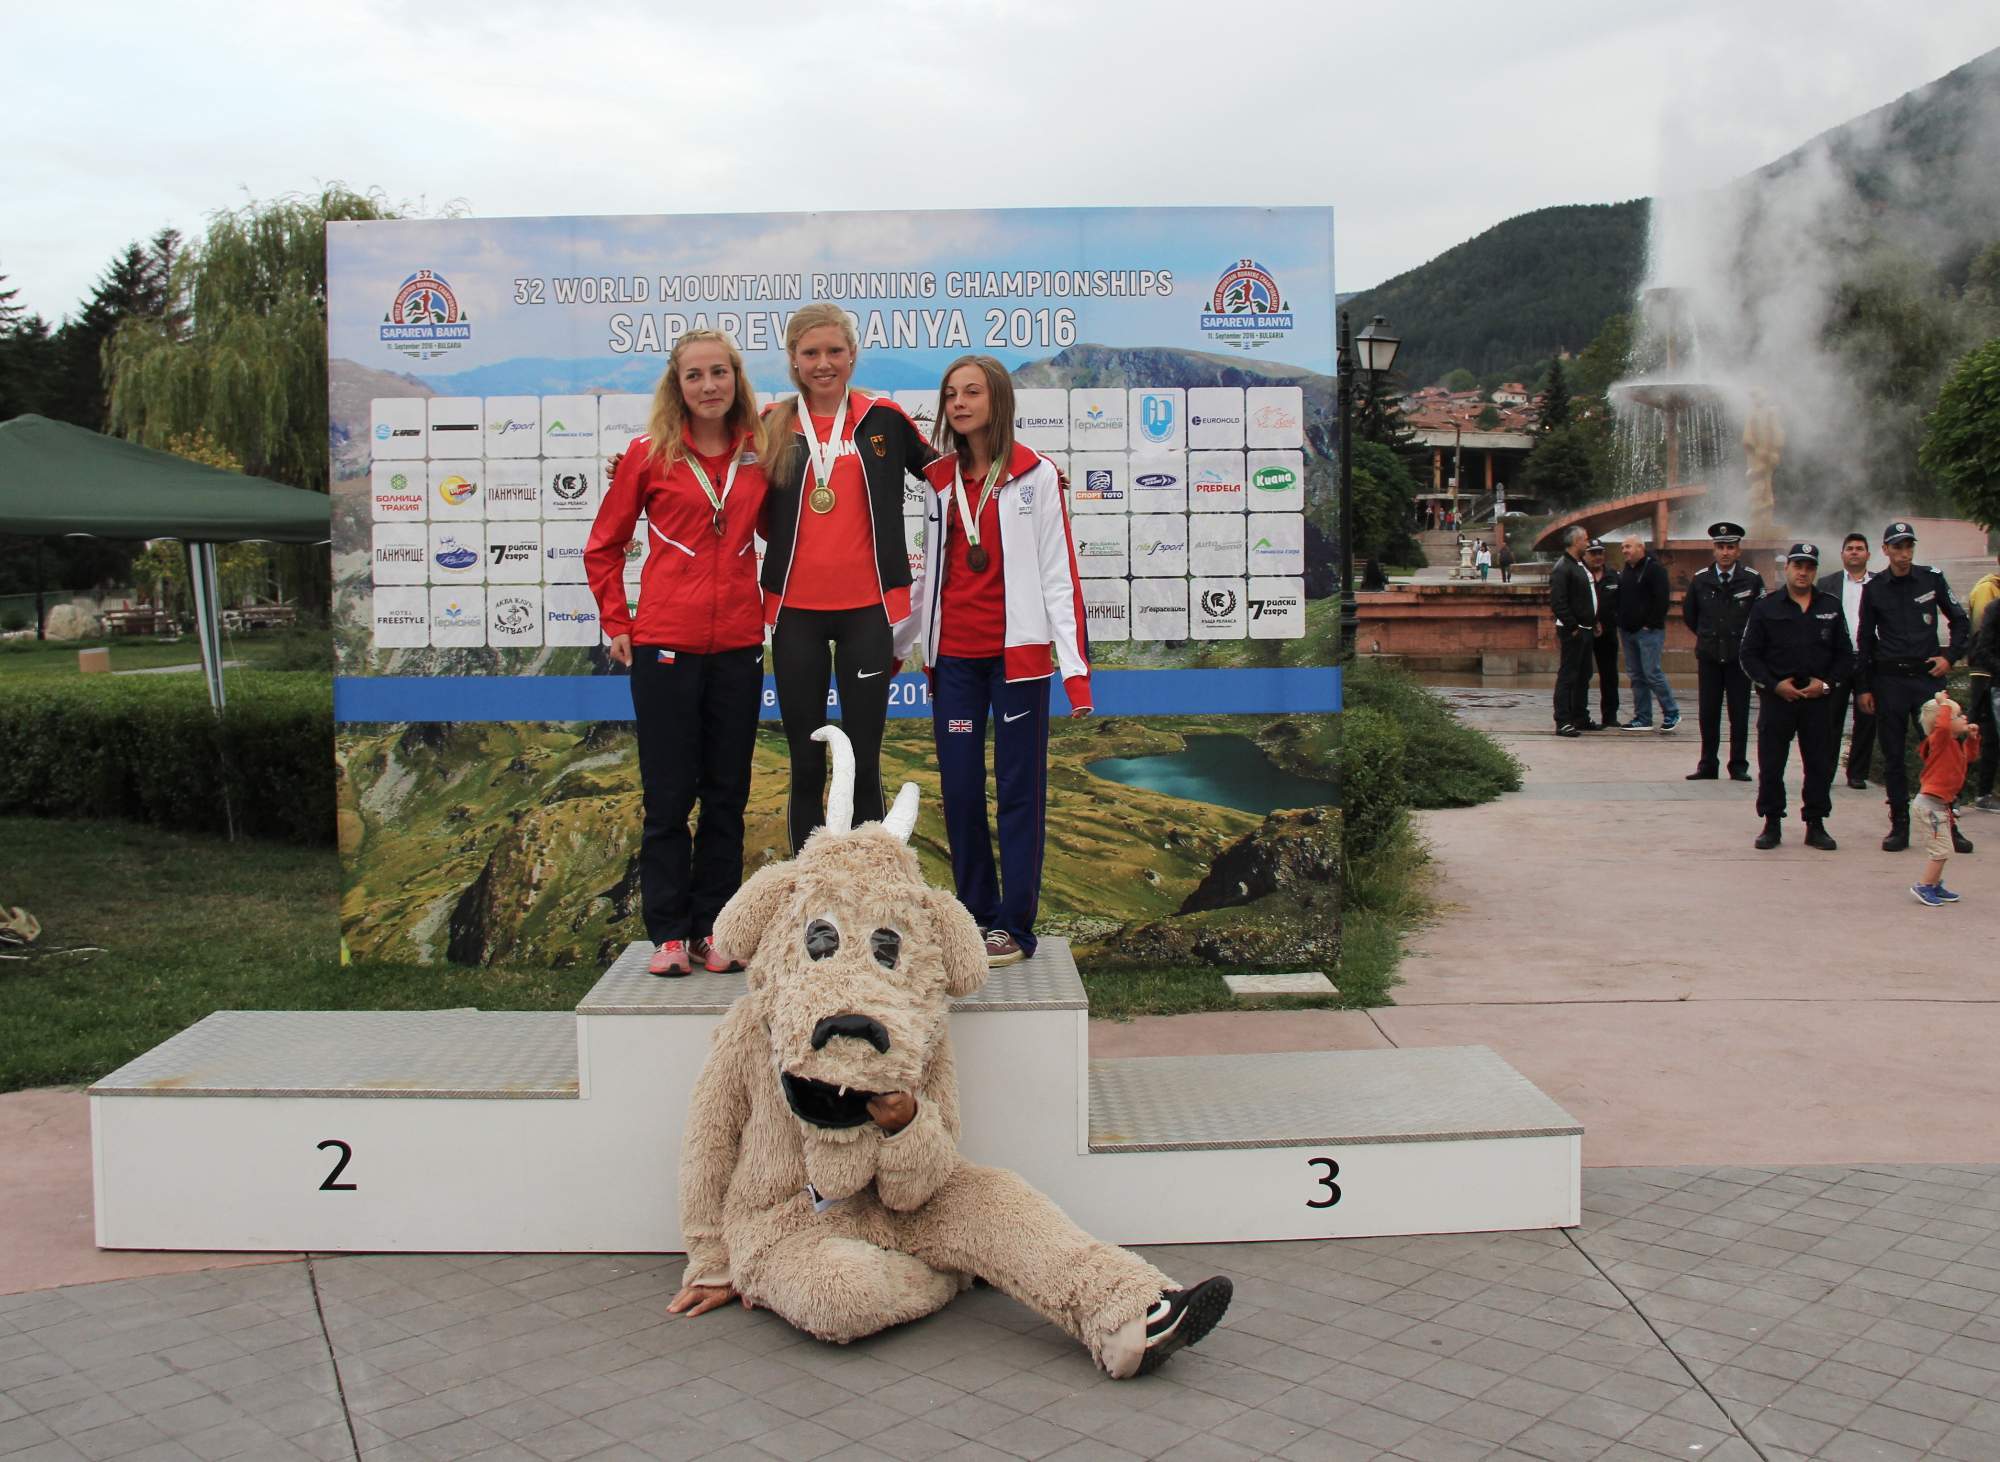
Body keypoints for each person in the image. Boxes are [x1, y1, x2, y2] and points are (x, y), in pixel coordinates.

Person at [585, 330, 769, 977]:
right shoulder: (648, 454)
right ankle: (668, 933)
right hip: (665, 644)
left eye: (720, 372)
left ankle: (714, 929)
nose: (709, 385)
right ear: (677, 385)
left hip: (740, 644)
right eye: (695, 375)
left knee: (727, 795)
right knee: (667, 797)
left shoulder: (760, 450)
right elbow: (603, 546)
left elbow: (786, 524)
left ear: (736, 378)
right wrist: (617, 619)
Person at [896, 356, 1090, 967]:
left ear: (997, 400)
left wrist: (1076, 673)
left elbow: (1058, 575)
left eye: (972, 392)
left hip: (1017, 661)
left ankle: (1015, 926)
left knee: (1017, 792)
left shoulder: (1036, 474)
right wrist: (898, 647)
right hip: (953, 659)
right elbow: (929, 576)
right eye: (950, 394)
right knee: (959, 791)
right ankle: (975, 915)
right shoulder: (938, 480)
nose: (958, 403)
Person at [760, 303, 938, 854]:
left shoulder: (882, 418)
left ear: (852, 355)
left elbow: (944, 472)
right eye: (810, 352)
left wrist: (1020, 470)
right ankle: (805, 886)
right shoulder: (771, 422)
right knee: (806, 759)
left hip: (867, 612)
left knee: (863, 755)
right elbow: (713, 469)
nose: (823, 363)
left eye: (834, 351)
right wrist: (636, 467)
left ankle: (871, 886)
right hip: (796, 615)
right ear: (793, 359)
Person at [1854, 521, 1971, 853]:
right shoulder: (1874, 588)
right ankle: (1899, 824)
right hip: (1889, 680)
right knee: (1894, 756)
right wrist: (1864, 687)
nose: (1904, 554)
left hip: (1926, 679)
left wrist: (1950, 657)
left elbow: (1960, 620)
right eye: (1897, 547)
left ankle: (1949, 824)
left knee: (1942, 753)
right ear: (1885, 550)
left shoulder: (1931, 578)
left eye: (1908, 547)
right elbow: (1864, 640)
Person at [1739, 543, 1853, 851]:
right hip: (1778, 699)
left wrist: (1826, 684)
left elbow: (1845, 655)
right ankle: (1771, 823)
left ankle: (1816, 824)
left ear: (1815, 570)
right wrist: (1774, 685)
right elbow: (1749, 654)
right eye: (1798, 566)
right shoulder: (1766, 607)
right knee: (1771, 765)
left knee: (1818, 764)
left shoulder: (1830, 605)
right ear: (1787, 567)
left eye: (1809, 567)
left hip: (1817, 701)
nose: (1803, 572)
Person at [1682, 521, 1762, 781]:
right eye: (1720, 547)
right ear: (1714, 550)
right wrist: (1708, 636)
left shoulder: (1751, 579)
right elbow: (1690, 615)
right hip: (1710, 656)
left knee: (1739, 713)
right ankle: (1708, 764)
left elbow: (1759, 617)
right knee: (1708, 713)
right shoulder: (1700, 579)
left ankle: (1738, 765)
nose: (1725, 552)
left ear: (1738, 550)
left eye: (1730, 547)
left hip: (1739, 657)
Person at [1909, 693, 1980, 907]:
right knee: (1940, 850)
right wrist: (1943, 704)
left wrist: (1972, 739)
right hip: (1929, 806)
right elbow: (1941, 728)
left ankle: (1934, 884)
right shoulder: (1939, 741)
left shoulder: (1953, 745)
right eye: (1958, 715)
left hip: (1939, 806)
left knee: (1945, 849)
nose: (1964, 717)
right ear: (1944, 721)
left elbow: (1969, 758)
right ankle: (1924, 886)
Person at [1818, 534, 1876, 790]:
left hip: (1869, 658)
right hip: (1837, 659)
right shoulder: (1826, 583)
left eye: (1859, 549)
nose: (1854, 552)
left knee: (1867, 717)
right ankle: (1826, 771)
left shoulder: (1879, 583)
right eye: (1850, 548)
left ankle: (1858, 773)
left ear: (1868, 555)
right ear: (1842, 554)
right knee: (1831, 718)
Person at [1616, 535, 1679, 731]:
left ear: (1640, 548)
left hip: (1648, 632)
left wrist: (1650, 624)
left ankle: (1671, 712)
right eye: (1623, 547)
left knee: (1652, 673)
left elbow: (1662, 599)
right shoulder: (1627, 569)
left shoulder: (1654, 569)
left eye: (1628, 547)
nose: (1624, 551)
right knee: (1636, 675)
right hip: (1628, 631)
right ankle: (1643, 718)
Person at [1549, 526, 1595, 737]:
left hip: (1586, 628)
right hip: (1574, 631)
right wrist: (1573, 626)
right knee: (1568, 675)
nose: (1588, 543)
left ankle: (1580, 716)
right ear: (1576, 542)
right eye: (1585, 539)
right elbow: (1558, 602)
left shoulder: (1579, 564)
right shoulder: (1562, 567)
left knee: (1584, 675)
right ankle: (1563, 720)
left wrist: (1593, 620)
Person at [1966, 550, 2000, 812]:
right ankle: (1961, 794)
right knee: (1977, 733)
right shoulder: (1988, 591)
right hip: (1985, 675)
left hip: (1991, 674)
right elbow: (1981, 641)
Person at [1583, 539, 1620, 730]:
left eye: (1600, 552)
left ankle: (1610, 716)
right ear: (1585, 555)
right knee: (1582, 674)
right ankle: (1580, 715)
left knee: (1610, 675)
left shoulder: (1614, 576)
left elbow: (1622, 602)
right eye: (1593, 553)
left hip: (1608, 633)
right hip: (1585, 632)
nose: (1597, 557)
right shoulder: (1580, 575)